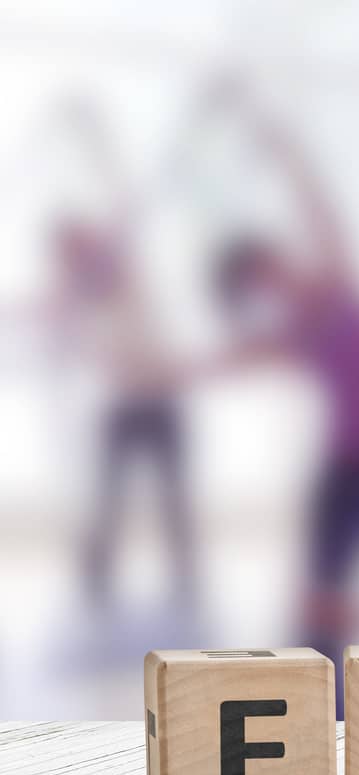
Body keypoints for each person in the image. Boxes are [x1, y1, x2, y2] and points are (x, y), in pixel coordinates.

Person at [199, 91, 359, 705]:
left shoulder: (338, 276)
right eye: (260, 286)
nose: (279, 282)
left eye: (272, 266)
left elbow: (318, 205)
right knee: (319, 619)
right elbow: (206, 365)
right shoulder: (292, 334)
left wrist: (282, 144)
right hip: (350, 477)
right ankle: (315, 724)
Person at [24, 102, 195, 614]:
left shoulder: (125, 265)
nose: (79, 251)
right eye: (69, 250)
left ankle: (186, 585)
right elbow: (39, 314)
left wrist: (93, 133)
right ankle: (94, 588)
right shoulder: (74, 295)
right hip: (123, 407)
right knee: (108, 499)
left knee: (172, 501)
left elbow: (123, 194)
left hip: (162, 400)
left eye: (81, 242)